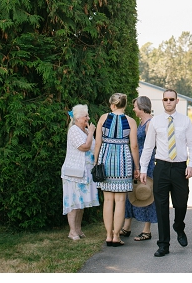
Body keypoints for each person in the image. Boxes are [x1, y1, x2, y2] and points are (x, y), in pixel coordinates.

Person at [139, 89, 192, 257]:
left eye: (172, 99)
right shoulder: (156, 122)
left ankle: (179, 226)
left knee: (181, 203)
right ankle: (163, 244)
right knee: (161, 207)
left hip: (180, 169)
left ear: (177, 101)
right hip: (162, 168)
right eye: (166, 99)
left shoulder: (185, 121)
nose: (169, 101)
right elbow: (148, 147)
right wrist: (143, 169)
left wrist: (191, 165)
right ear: (162, 101)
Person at [94, 93, 140, 247]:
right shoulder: (130, 121)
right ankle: (116, 236)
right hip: (123, 161)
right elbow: (134, 146)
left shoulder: (103, 118)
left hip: (105, 159)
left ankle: (108, 235)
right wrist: (137, 167)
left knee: (108, 200)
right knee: (120, 200)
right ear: (125, 105)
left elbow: (97, 143)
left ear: (112, 105)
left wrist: (95, 162)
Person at [120, 96, 157, 242]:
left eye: (135, 106)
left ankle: (146, 230)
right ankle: (127, 226)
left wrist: (143, 165)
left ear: (142, 108)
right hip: (136, 163)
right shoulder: (141, 122)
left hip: (145, 164)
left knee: (146, 194)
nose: (133, 109)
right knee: (131, 194)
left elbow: (152, 147)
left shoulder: (150, 124)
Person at [60, 104, 99, 240]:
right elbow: (84, 147)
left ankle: (78, 229)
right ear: (77, 118)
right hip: (74, 173)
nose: (88, 118)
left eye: (87, 115)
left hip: (84, 173)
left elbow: (93, 149)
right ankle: (72, 231)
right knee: (73, 202)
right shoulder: (74, 130)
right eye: (85, 116)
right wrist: (92, 133)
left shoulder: (84, 131)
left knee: (80, 203)